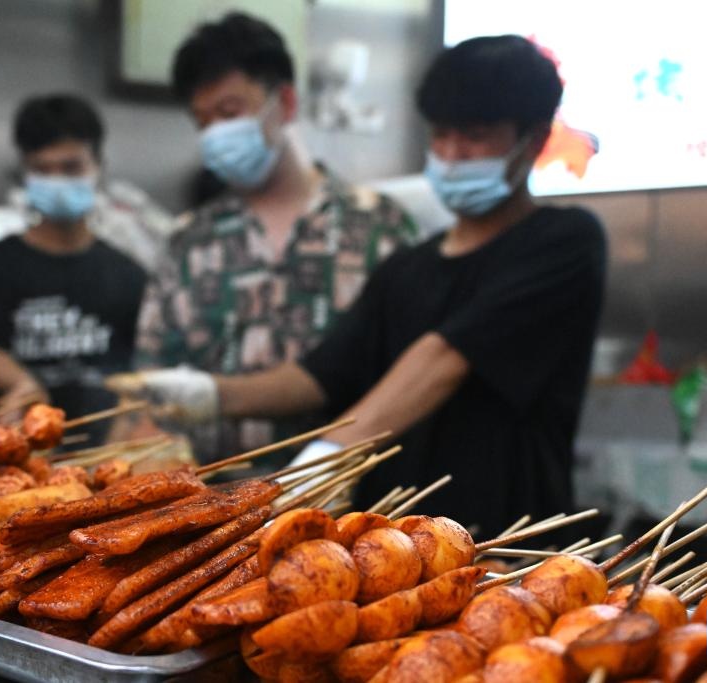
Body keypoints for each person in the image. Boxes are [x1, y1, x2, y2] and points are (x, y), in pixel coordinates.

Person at [121, 35, 608, 536]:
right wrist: (209, 395)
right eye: (440, 135)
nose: (451, 154)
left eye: (475, 137)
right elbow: (317, 377)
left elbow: (444, 357)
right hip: (393, 545)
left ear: (532, 140)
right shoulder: (407, 268)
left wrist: (329, 454)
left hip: (509, 544)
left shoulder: (563, 241)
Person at [130, 13, 417, 464]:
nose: (215, 134)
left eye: (229, 113)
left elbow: (413, 377)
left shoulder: (379, 228)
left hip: (354, 493)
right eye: (202, 122)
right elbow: (147, 390)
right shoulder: (188, 242)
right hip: (213, 497)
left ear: (284, 103)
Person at [0, 94, 151, 437]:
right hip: (14, 444)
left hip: (104, 446)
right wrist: (22, 385)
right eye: (42, 170)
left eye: (71, 167)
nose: (57, 181)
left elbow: (138, 369)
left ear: (98, 165)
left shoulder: (129, 274)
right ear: (25, 172)